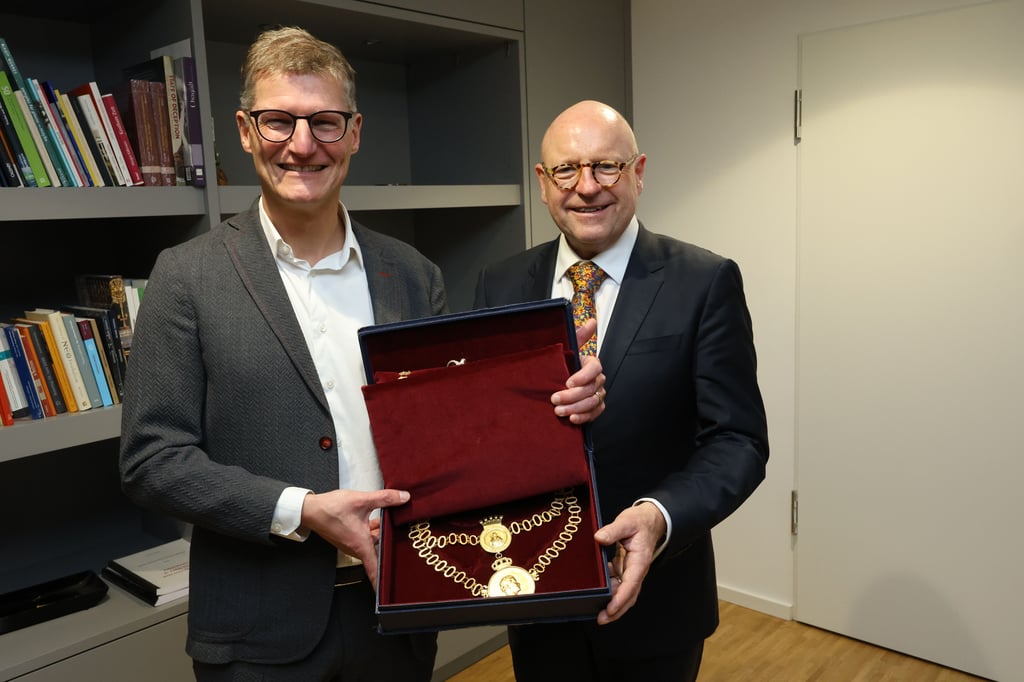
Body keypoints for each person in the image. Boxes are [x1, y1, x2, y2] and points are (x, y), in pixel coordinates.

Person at [119, 28, 604, 681]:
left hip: (400, 614)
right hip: (259, 635)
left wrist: (556, 397)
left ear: (353, 133)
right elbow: (153, 462)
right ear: (243, 129)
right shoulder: (185, 277)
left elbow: (452, 434)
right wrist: (301, 510)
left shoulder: (411, 273)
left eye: (325, 122)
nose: (301, 144)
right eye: (277, 121)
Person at [474, 100, 770, 681]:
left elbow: (737, 440)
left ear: (638, 172)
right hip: (534, 593)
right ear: (542, 182)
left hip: (658, 603)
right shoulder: (501, 283)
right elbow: (483, 427)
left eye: (606, 167)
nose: (587, 187)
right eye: (567, 170)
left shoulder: (704, 281)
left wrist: (659, 516)